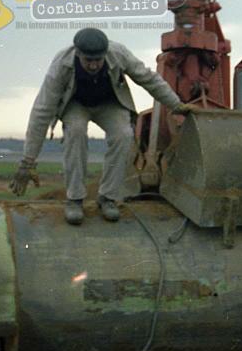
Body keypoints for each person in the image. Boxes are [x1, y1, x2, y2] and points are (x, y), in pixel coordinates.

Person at [10, 28, 195, 225]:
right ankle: (75, 199)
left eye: (98, 60)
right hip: (76, 104)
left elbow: (149, 79)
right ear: (78, 53)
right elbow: (41, 111)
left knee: (124, 134)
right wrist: (27, 162)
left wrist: (176, 104)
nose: (93, 65)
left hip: (110, 103)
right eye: (88, 60)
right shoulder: (61, 65)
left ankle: (108, 197)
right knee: (75, 131)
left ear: (105, 53)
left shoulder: (119, 54)